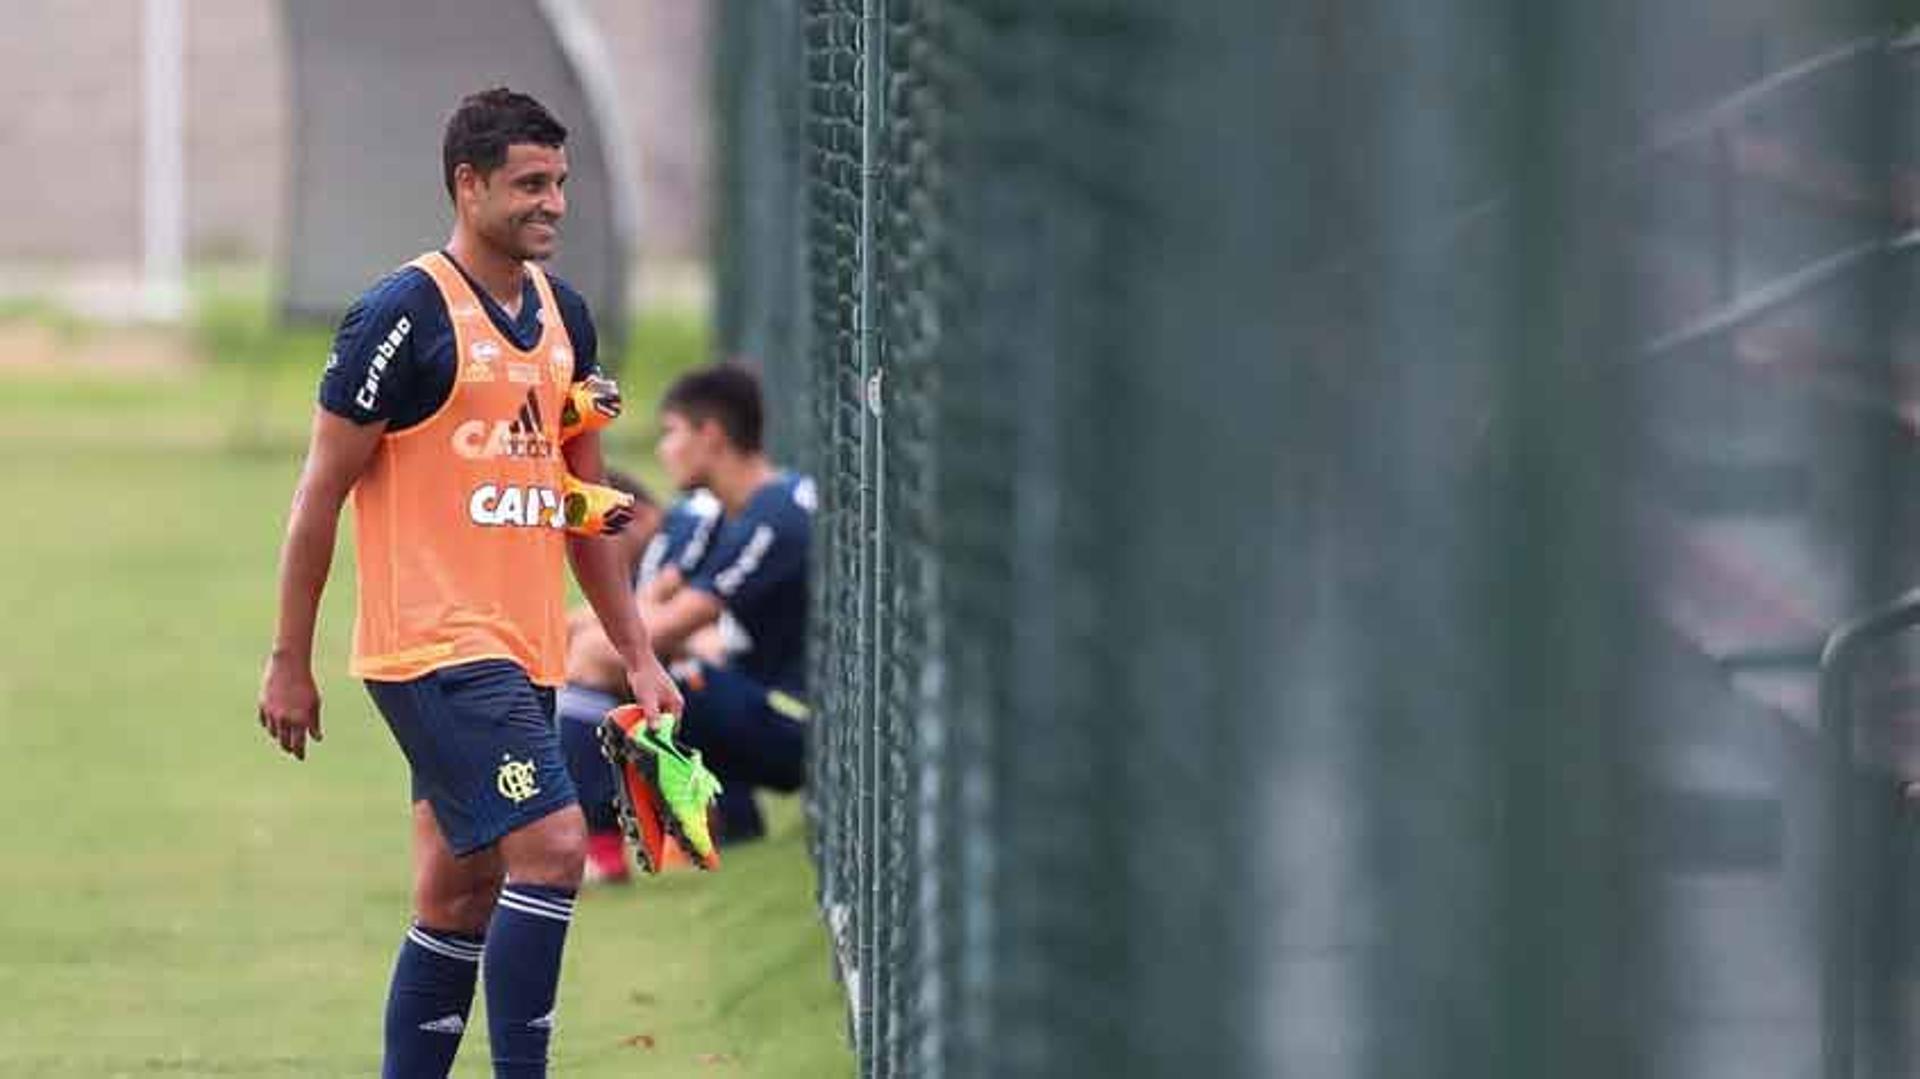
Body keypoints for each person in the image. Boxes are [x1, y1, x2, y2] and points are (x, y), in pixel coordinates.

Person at [255, 88, 682, 1079]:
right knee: (557, 843)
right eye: (532, 183)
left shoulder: (571, 319)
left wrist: (639, 651)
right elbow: (318, 498)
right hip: (434, 646)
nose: (555, 204)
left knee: (459, 896)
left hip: (525, 645)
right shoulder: (398, 316)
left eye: (562, 182)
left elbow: (590, 499)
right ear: (469, 183)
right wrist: (290, 658)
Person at [574, 364, 812, 844]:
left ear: (711, 435)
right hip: (756, 700)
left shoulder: (773, 517)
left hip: (801, 723)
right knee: (607, 648)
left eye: (671, 433)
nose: (662, 450)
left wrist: (600, 642)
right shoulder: (732, 513)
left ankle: (598, 849)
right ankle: (730, 819)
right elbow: (654, 600)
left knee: (601, 657)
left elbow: (665, 627)